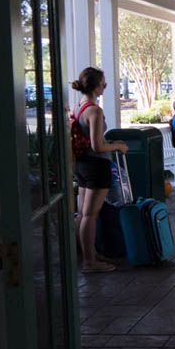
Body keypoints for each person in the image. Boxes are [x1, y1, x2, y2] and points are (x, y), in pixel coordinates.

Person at [71, 67, 129, 273]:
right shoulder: (95, 111)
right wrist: (118, 146)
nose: (105, 86)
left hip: (82, 164)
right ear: (96, 87)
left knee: (82, 213)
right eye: (103, 83)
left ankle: (83, 254)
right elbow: (98, 145)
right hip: (96, 166)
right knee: (90, 215)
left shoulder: (80, 106)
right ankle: (90, 262)